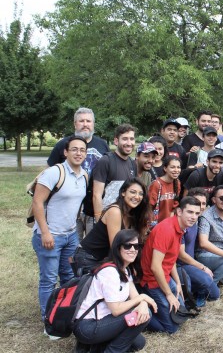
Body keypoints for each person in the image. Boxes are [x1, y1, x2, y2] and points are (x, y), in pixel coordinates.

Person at [32, 136, 88, 331]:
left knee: (68, 276)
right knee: (48, 279)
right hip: (50, 235)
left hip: (70, 235)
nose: (78, 153)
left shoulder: (84, 175)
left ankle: (64, 312)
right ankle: (48, 319)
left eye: (82, 149)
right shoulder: (54, 173)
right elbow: (37, 203)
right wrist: (45, 232)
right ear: (65, 152)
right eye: (74, 149)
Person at [73, 229, 157, 352]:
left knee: (138, 343)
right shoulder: (110, 272)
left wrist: (143, 302)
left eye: (136, 246)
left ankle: (93, 347)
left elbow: (136, 297)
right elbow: (116, 310)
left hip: (103, 320)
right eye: (128, 245)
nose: (133, 250)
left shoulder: (125, 270)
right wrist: (142, 299)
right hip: (87, 326)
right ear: (118, 248)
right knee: (145, 315)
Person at [140, 197, 202, 333]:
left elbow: (171, 258)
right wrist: (169, 294)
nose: (194, 217)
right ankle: (144, 311)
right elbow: (155, 267)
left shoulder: (180, 227)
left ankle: (157, 306)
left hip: (165, 277)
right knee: (172, 329)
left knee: (181, 316)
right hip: (152, 281)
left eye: (197, 213)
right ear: (179, 211)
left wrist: (178, 283)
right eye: (190, 212)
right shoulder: (167, 229)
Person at [47, 108, 109, 240]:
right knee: (72, 248)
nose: (85, 124)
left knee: (92, 247)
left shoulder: (103, 145)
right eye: (81, 121)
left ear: (93, 124)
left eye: (88, 121)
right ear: (75, 124)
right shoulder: (63, 144)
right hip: (69, 208)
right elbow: (48, 172)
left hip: (93, 206)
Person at [74, 179, 151, 275]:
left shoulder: (133, 215)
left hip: (105, 258)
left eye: (141, 194)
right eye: (133, 192)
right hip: (89, 257)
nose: (137, 197)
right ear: (123, 192)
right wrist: (128, 270)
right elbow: (115, 246)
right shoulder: (115, 211)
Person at [177, 189, 220, 308]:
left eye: (203, 203)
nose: (200, 207)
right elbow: (180, 254)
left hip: (192, 262)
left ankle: (196, 287)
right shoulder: (182, 223)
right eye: (197, 202)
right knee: (206, 281)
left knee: (215, 294)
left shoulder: (198, 219)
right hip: (181, 265)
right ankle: (194, 288)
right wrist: (203, 267)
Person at [92, 124, 136, 220]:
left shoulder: (132, 163)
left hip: (125, 218)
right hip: (106, 219)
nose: (129, 143)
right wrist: (99, 220)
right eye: (125, 139)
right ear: (116, 141)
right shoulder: (106, 161)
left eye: (131, 139)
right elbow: (97, 195)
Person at [149, 156, 182, 226]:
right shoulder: (156, 184)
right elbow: (149, 207)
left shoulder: (177, 183)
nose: (176, 170)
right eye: (172, 167)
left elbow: (175, 204)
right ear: (165, 168)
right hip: (156, 225)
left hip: (169, 224)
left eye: (178, 167)